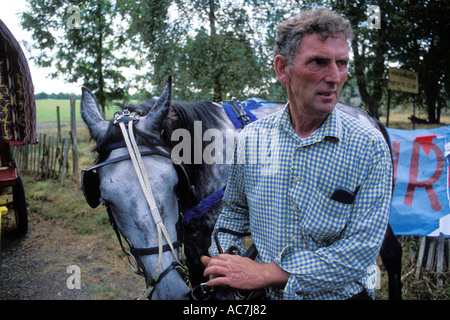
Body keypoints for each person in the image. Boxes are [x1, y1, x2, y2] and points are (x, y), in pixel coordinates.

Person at [201, 8, 393, 300]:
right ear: (282, 69)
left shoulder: (369, 146)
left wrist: (264, 274)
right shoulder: (252, 138)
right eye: (319, 62)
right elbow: (234, 211)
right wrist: (225, 259)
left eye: (342, 63)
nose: (335, 76)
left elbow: (359, 251)